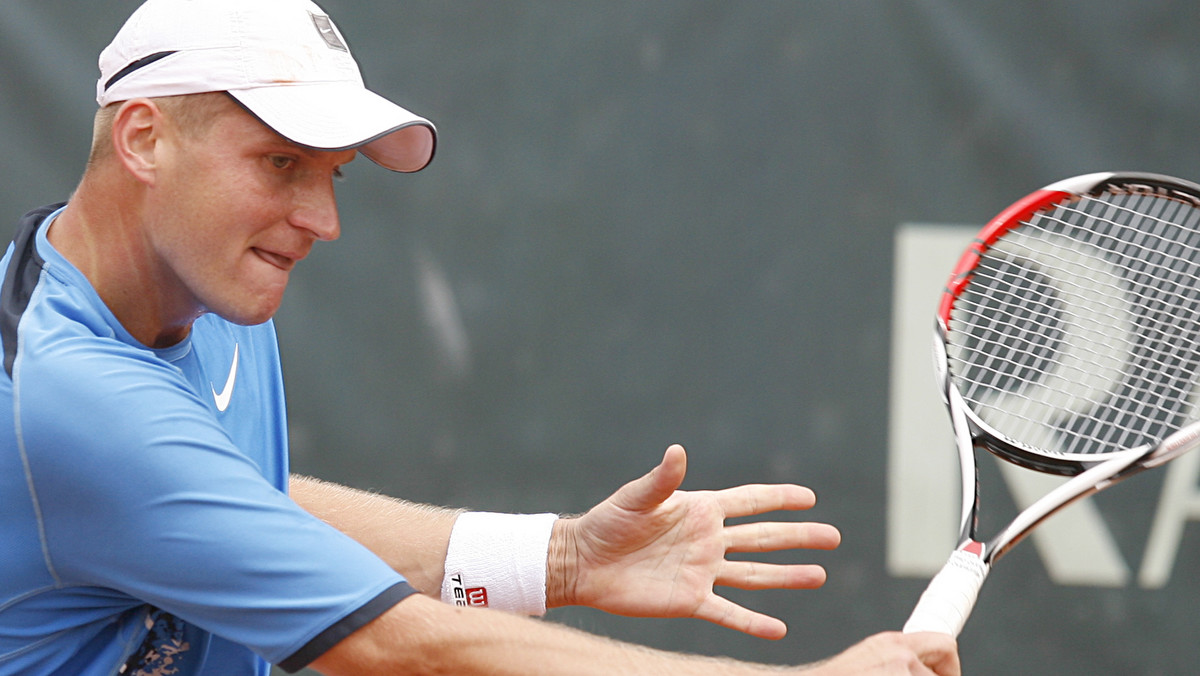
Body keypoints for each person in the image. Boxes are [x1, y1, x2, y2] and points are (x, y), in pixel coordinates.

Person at [0, 1, 960, 674]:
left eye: (334, 174)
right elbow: (402, 651)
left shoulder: (185, 283)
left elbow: (232, 499)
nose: (321, 218)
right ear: (142, 140)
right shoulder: (72, 401)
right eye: (280, 162)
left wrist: (562, 558)